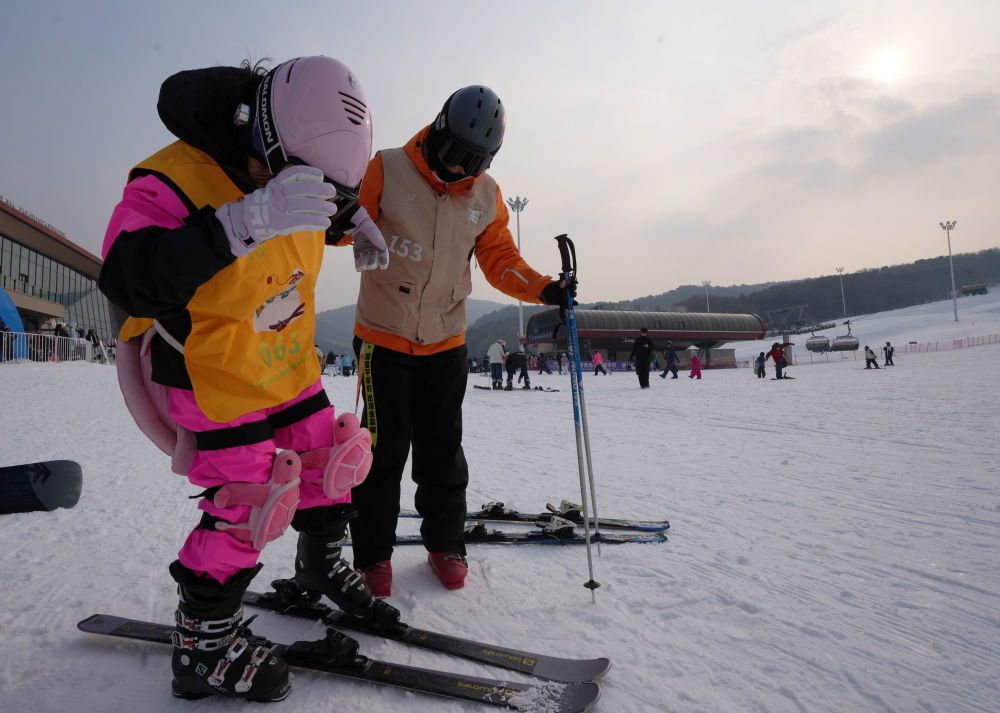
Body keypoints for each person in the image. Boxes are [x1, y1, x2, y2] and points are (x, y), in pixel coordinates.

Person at [97, 56, 394, 702]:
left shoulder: (292, 162)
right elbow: (125, 274)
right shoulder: (173, 180)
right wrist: (238, 224)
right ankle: (202, 645)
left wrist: (354, 219)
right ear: (263, 139)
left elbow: (321, 206)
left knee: (330, 455)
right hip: (207, 366)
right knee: (254, 493)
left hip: (280, 356)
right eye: (307, 183)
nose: (318, 198)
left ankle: (317, 565)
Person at [340, 85, 574, 595]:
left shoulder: (486, 195)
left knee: (442, 452)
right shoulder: (387, 167)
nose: (456, 168)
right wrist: (336, 211)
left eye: (472, 162)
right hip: (383, 338)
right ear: (437, 129)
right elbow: (343, 224)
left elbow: (501, 261)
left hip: (445, 343)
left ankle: (446, 544)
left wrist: (545, 289)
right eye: (451, 153)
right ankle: (373, 554)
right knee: (381, 452)